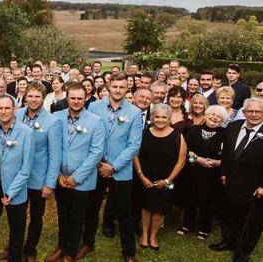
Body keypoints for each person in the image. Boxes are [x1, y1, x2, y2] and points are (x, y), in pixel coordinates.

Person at [209, 98, 263, 262]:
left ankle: (242, 252)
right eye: (250, 111)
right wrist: (224, 173)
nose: (254, 114)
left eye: (258, 112)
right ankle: (228, 241)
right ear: (243, 112)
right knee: (230, 214)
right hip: (232, 182)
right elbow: (227, 153)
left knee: (252, 222)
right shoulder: (233, 127)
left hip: (258, 187)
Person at [81, 72, 142, 262]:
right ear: (109, 86)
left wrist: (113, 167)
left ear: (127, 89)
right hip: (96, 167)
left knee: (125, 212)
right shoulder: (94, 106)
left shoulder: (134, 112)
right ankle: (87, 243)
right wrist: (98, 163)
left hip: (120, 170)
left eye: (122, 87)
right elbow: (88, 136)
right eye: (115, 86)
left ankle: (129, 252)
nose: (118, 90)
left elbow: (134, 145)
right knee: (91, 208)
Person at [48, 83, 104, 262]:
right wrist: (58, 175)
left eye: (80, 98)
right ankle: (61, 246)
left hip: (82, 180)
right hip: (61, 178)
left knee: (76, 216)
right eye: (72, 98)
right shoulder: (56, 118)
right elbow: (52, 148)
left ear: (85, 98)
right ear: (67, 98)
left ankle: (70, 252)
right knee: (63, 214)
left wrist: (76, 178)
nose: (76, 101)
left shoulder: (95, 121)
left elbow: (96, 153)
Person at [0, 95, 33, 262]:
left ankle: (14, 257)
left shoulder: (27, 132)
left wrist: (11, 191)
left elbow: (26, 168)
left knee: (17, 229)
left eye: (7, 108)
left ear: (15, 110)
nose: (4, 112)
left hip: (16, 188)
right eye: (0, 108)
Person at [16, 82, 62, 262]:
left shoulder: (52, 121)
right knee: (17, 216)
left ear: (43, 99)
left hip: (38, 178)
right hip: (18, 177)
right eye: (30, 96)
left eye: (37, 96)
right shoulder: (17, 115)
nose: (33, 100)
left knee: (36, 216)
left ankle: (30, 249)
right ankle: (15, 246)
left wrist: (50, 183)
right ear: (25, 96)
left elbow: (55, 154)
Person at [134, 104, 187, 251]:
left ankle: (153, 235)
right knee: (146, 207)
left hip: (165, 180)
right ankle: (144, 234)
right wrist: (141, 176)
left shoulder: (178, 136)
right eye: (157, 116)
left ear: (169, 118)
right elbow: (135, 155)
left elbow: (180, 162)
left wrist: (168, 180)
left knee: (159, 209)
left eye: (164, 117)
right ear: (152, 118)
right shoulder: (143, 133)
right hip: (146, 179)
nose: (160, 120)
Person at [179, 105, 228, 240]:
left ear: (222, 120)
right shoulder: (193, 129)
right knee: (190, 198)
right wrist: (197, 159)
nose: (214, 117)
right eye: (212, 114)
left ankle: (204, 228)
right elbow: (185, 148)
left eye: (218, 116)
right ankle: (187, 225)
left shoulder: (226, 134)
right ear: (206, 115)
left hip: (212, 173)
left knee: (208, 200)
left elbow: (230, 155)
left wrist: (217, 162)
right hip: (192, 170)